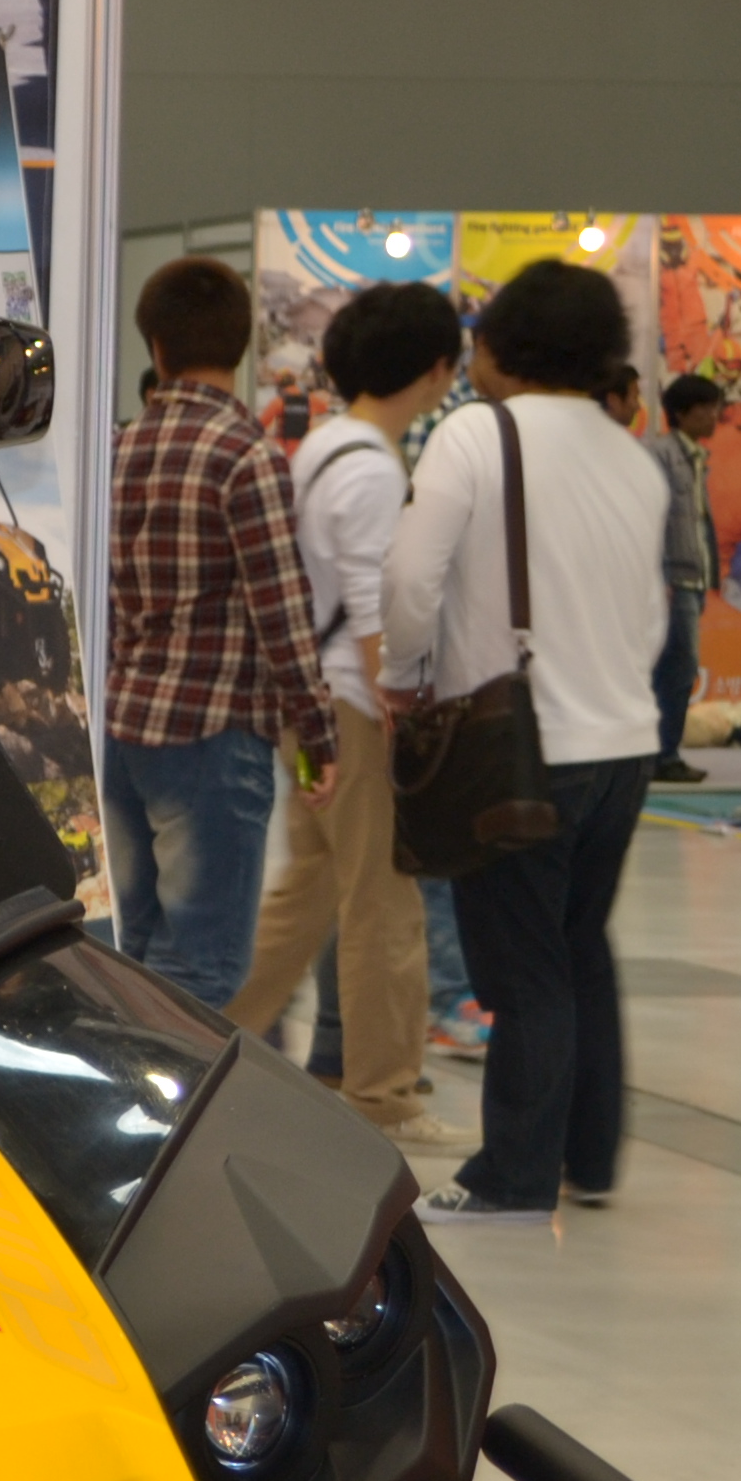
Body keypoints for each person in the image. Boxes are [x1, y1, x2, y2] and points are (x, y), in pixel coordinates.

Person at [382, 260, 682, 1223]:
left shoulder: (478, 433)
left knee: (524, 970)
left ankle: (512, 1177)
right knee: (581, 948)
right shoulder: (633, 457)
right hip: (622, 742)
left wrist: (402, 673)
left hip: (517, 744)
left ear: (502, 348)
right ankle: (588, 1161)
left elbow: (410, 579)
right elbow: (653, 616)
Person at [226, 283, 463, 1143]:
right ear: (435, 370)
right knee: (383, 905)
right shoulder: (370, 466)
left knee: (311, 891)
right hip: (357, 710)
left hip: (313, 710)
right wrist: (404, 711)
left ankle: (210, 1039)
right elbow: (371, 606)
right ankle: (384, 1094)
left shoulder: (326, 445)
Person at [99, 256, 336, 1009]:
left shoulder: (115, 449)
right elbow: (283, 611)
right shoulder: (246, 457)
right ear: (244, 347)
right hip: (212, 732)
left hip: (121, 729)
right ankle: (171, 1089)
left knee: (132, 949)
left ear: (156, 345)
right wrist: (318, 736)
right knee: (202, 968)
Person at [648, 373, 728, 783]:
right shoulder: (660, 454)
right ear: (681, 413)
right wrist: (658, 575)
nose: (714, 415)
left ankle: (661, 753)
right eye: (705, 408)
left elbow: (698, 522)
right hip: (673, 580)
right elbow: (652, 518)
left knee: (674, 668)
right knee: (679, 668)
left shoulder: (697, 458)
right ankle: (662, 755)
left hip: (691, 579)